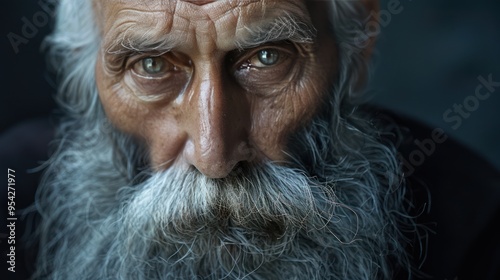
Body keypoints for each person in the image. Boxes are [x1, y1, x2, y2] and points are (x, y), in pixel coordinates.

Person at [15, 0, 498, 279]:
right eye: (152, 65)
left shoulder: (476, 228)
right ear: (86, 64)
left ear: (358, 45)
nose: (214, 154)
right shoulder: (10, 204)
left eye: (267, 58)